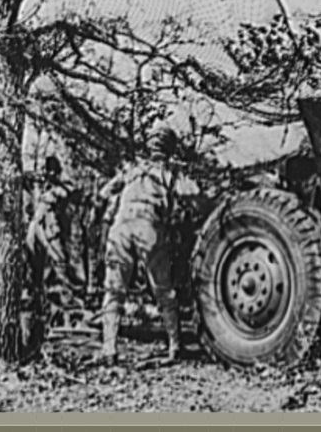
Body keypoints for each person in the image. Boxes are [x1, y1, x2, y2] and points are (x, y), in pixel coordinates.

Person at [97, 122, 201, 366]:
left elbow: (104, 192)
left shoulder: (133, 169)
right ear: (170, 147)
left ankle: (109, 349)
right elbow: (194, 192)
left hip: (121, 226)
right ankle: (175, 346)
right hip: (149, 226)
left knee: (114, 290)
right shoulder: (169, 171)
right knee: (164, 289)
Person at [25, 156, 85, 328]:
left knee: (60, 269)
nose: (49, 174)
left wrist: (54, 188)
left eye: (52, 171)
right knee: (39, 272)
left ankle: (69, 312)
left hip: (51, 231)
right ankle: (45, 310)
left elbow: (69, 193)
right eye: (48, 171)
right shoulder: (42, 187)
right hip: (39, 230)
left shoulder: (59, 189)